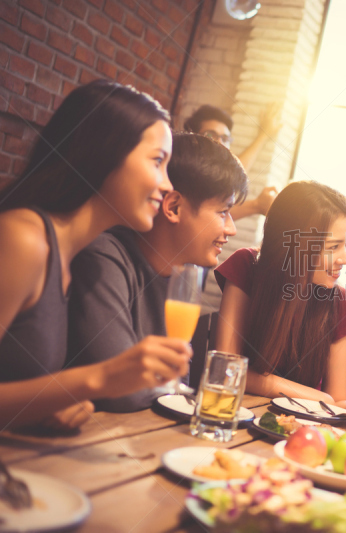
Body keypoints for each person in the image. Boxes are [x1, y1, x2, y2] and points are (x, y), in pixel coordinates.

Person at [0, 81, 191, 431]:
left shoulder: (68, 258)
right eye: (158, 161)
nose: (166, 185)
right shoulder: (23, 238)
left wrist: (43, 405)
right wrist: (99, 378)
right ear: (106, 154)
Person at [66, 133, 247, 412]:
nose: (231, 229)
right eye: (223, 212)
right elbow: (124, 391)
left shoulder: (185, 276)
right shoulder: (104, 258)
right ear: (173, 207)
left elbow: (173, 381)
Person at [214, 181, 346, 419]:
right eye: (334, 246)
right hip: (232, 415)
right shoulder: (247, 267)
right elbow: (227, 369)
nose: (345, 258)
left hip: (303, 431)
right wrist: (320, 398)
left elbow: (337, 400)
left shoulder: (343, 305)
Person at [184, 104, 280, 221]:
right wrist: (256, 205)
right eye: (210, 135)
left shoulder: (215, 175)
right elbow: (209, 215)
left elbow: (237, 170)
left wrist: (264, 135)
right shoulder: (185, 173)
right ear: (192, 137)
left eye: (225, 138)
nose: (219, 143)